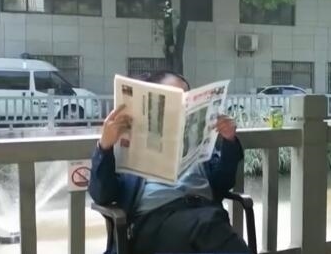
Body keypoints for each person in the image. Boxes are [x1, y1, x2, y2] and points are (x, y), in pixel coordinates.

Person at [89, 71, 248, 254]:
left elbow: (223, 182)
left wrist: (229, 140)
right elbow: (102, 195)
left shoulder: (198, 142)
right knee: (213, 231)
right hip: (155, 221)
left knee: (209, 227)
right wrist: (105, 146)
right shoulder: (128, 146)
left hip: (203, 212)